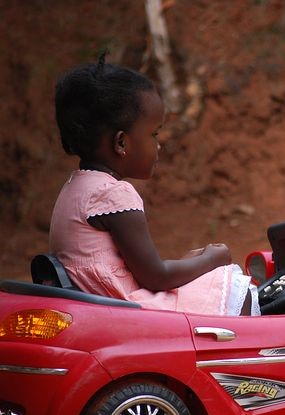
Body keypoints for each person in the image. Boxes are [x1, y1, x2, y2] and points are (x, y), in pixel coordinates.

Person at [49, 54, 260, 316]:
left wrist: (191, 262)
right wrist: (211, 260)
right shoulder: (113, 195)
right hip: (131, 313)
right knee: (237, 289)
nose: (158, 145)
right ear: (122, 143)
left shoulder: (75, 188)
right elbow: (156, 277)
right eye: (154, 134)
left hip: (105, 306)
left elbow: (140, 270)